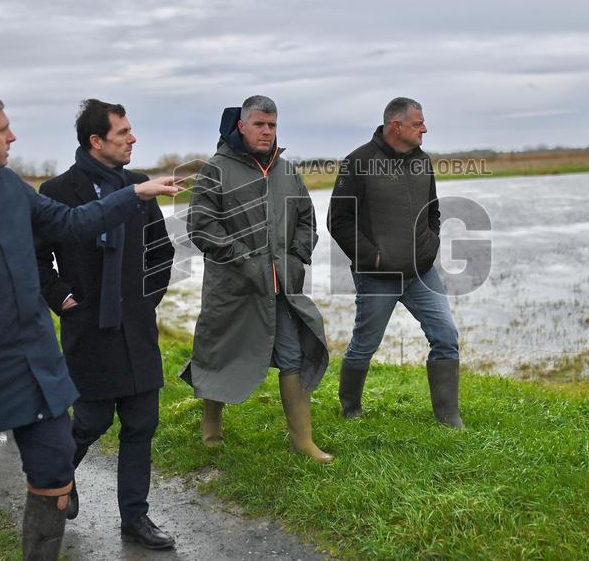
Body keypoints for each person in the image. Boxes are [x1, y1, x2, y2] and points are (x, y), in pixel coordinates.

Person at [0, 90, 180, 560]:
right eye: (4, 130)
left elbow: (70, 222)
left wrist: (134, 193)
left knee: (55, 465)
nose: (13, 136)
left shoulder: (8, 184)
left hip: (32, 363)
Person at [36, 99, 175, 550]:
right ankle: (58, 476)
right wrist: (63, 300)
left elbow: (161, 253)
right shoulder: (56, 191)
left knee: (141, 423)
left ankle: (135, 518)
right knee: (90, 422)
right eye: (123, 133)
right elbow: (36, 260)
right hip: (87, 326)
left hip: (136, 328)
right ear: (96, 141)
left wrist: (144, 302)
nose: (133, 139)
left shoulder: (140, 187)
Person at [181, 95, 333, 463]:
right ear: (242, 126)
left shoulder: (287, 170)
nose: (267, 132)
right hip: (233, 287)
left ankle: (303, 441)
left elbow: (306, 219)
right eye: (260, 125)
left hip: (282, 287)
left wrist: (296, 258)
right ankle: (211, 425)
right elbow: (201, 226)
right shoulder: (215, 169)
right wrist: (244, 261)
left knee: (292, 354)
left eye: (273, 125)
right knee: (220, 352)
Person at [328, 97, 464, 427]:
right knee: (365, 345)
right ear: (396, 126)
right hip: (376, 277)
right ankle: (350, 407)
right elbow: (339, 220)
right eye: (419, 123)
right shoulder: (358, 162)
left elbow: (434, 211)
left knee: (446, 336)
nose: (425, 128)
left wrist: (430, 245)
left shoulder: (422, 161)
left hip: (421, 273)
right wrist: (373, 257)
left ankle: (448, 414)